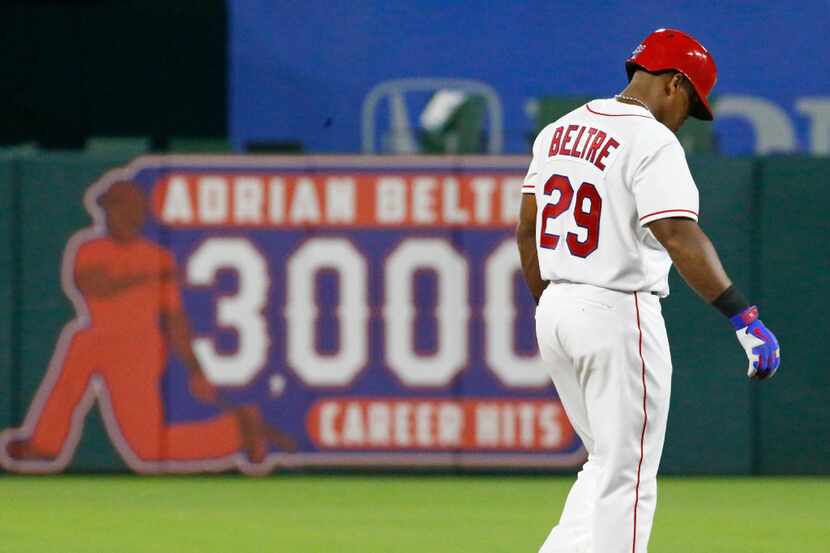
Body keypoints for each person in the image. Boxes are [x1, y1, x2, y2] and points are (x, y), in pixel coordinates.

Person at [516, 29, 780, 553]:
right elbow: (678, 235)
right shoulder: (651, 139)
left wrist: (552, 306)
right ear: (674, 84)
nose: (686, 117)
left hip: (557, 309)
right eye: (692, 104)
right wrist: (742, 318)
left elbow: (527, 230)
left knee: (603, 466)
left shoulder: (558, 130)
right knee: (629, 479)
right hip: (614, 311)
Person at [2, 180, 294, 473]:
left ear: (139, 213)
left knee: (148, 449)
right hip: (98, 336)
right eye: (112, 209)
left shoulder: (156, 255)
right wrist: (146, 278)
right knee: (79, 343)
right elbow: (95, 284)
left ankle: (234, 433)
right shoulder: (90, 248)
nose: (117, 216)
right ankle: (43, 444)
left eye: (124, 209)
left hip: (137, 346)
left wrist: (196, 371)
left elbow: (175, 321)